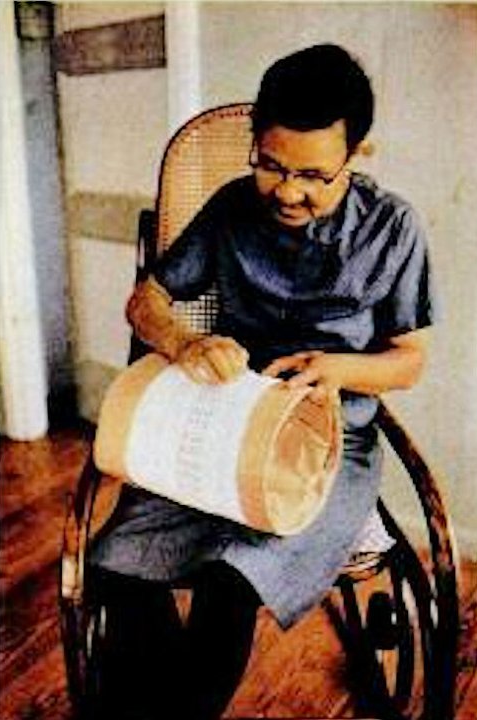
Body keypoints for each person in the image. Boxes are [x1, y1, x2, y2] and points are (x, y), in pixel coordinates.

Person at [89, 44, 438, 719]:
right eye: (270, 164)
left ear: (357, 155)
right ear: (254, 142)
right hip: (221, 423)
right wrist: (185, 342)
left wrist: (337, 368)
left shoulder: (393, 229)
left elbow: (408, 361)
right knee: (117, 568)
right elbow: (146, 302)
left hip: (325, 443)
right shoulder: (231, 208)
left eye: (313, 175)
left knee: (229, 584)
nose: (286, 191)